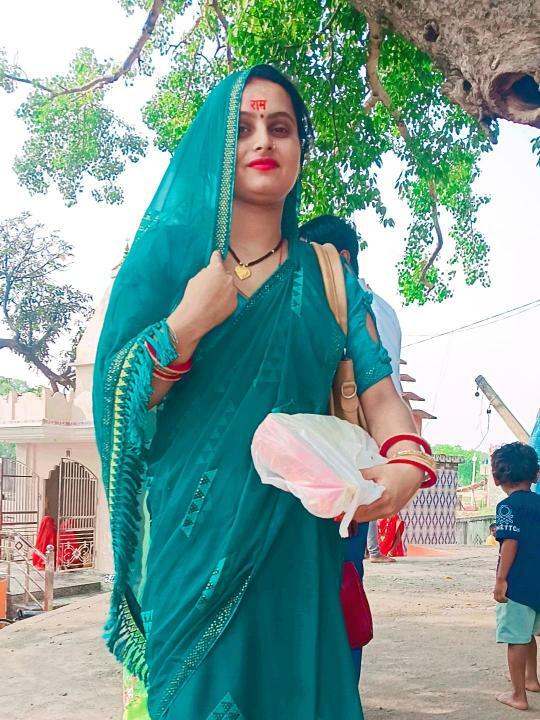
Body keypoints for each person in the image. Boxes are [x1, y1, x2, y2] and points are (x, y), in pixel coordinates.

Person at [93, 65, 433, 719]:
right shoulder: (168, 263)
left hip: (296, 550)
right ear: (217, 149)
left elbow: (380, 390)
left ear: (300, 149)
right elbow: (117, 398)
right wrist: (185, 325)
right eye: (244, 128)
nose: (263, 141)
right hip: (193, 547)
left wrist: (405, 463)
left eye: (280, 127)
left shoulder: (328, 275)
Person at [300, 215, 403, 564]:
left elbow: (379, 386)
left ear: (341, 258)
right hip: (362, 446)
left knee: (336, 567)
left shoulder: (355, 305)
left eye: (311, 255)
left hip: (346, 448)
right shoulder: (384, 307)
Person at [492, 442, 540, 711]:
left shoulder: (507, 507)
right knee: (530, 632)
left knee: (517, 637)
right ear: (535, 475)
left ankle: (518, 695)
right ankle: (532, 679)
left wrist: (501, 580)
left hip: (518, 584)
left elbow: (510, 542)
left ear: (497, 477)